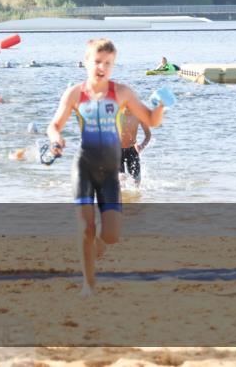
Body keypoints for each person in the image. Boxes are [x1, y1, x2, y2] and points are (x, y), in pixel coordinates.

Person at [47, 38, 165, 296]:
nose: (102, 67)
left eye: (108, 63)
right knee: (86, 227)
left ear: (113, 65)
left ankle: (93, 251)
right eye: (97, 61)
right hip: (84, 167)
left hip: (110, 172)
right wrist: (56, 140)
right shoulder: (75, 94)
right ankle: (88, 285)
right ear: (86, 62)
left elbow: (151, 120)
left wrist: (161, 106)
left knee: (111, 235)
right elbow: (54, 125)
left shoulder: (122, 92)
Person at [119, 108, 151, 187]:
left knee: (137, 183)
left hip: (132, 150)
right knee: (120, 182)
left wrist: (141, 147)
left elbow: (148, 135)